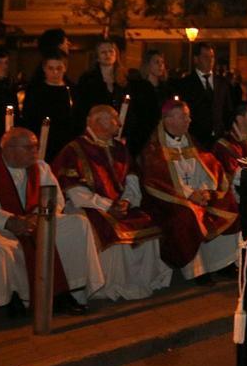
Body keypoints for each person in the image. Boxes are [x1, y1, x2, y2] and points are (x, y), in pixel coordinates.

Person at [0, 128, 105, 331]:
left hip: (35, 222)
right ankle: (13, 296)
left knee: (77, 225)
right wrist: (9, 220)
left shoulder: (41, 167)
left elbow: (57, 199)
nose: (35, 151)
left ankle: (63, 291)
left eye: (36, 147)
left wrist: (38, 216)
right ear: (9, 149)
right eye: (29, 147)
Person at [51, 105, 170, 301]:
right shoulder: (74, 149)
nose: (119, 123)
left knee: (147, 221)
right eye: (114, 119)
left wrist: (126, 201)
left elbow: (131, 178)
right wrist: (107, 205)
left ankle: (139, 281)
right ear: (98, 122)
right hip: (88, 205)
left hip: (119, 205)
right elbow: (73, 189)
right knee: (108, 228)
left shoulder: (119, 148)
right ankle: (110, 285)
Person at [137, 100, 240, 283]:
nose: (189, 120)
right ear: (168, 120)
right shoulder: (154, 150)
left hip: (197, 195)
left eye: (188, 115)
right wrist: (189, 194)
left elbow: (208, 168)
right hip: (167, 202)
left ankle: (223, 262)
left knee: (228, 202)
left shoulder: (191, 141)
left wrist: (206, 191)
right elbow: (157, 182)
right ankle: (197, 271)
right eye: (184, 116)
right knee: (189, 213)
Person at [171, 43, 234, 146]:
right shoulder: (185, 84)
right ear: (196, 59)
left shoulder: (222, 83)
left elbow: (227, 109)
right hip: (195, 138)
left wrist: (226, 130)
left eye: (212, 57)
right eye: (205, 57)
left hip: (219, 138)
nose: (210, 61)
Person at [21, 52, 78, 162]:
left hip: (66, 141)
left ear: (65, 68)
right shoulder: (35, 90)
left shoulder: (72, 90)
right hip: (42, 141)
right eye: (50, 68)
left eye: (59, 68)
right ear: (44, 68)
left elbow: (77, 117)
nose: (55, 72)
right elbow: (28, 117)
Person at [123, 49, 169, 157]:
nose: (160, 66)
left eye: (162, 63)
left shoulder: (166, 88)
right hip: (142, 136)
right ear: (147, 65)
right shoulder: (137, 87)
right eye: (156, 62)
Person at [73, 39, 127, 129]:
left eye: (110, 51)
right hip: (95, 127)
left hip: (118, 128)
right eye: (103, 52)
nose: (108, 55)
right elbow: (81, 108)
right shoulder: (87, 79)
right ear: (97, 57)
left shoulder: (124, 79)